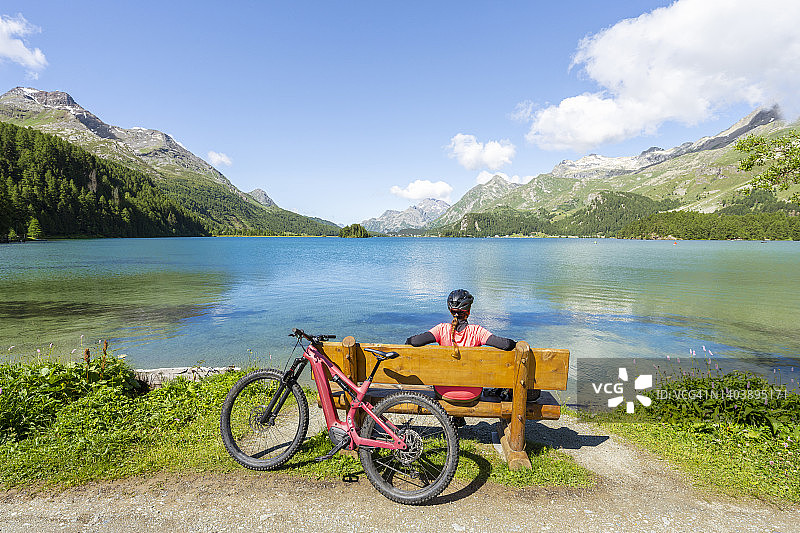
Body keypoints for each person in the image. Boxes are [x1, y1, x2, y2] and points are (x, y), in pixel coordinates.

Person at [406, 289, 516, 426]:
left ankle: (456, 417)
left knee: (449, 378)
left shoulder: (441, 329)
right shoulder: (477, 332)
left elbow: (414, 341)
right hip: (472, 394)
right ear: (468, 311)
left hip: (444, 393)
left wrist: (408, 341)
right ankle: (458, 417)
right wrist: (517, 344)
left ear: (450, 310)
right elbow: (506, 345)